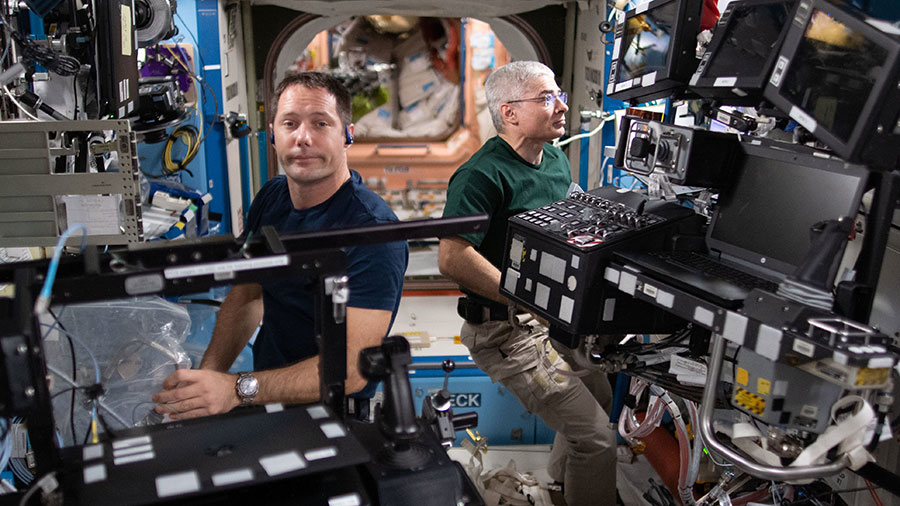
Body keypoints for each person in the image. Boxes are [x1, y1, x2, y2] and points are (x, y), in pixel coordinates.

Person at [152, 72, 409, 419]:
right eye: (290, 123)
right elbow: (248, 294)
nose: (303, 138)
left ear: (348, 134)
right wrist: (208, 379)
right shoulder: (273, 197)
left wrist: (235, 389)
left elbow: (351, 369)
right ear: (273, 134)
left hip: (333, 411)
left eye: (321, 123)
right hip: (263, 400)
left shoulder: (373, 232)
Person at [438, 61, 617, 506]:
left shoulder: (553, 158)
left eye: (558, 93)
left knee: (598, 398)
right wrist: (527, 299)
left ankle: (562, 487)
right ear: (510, 113)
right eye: (546, 98)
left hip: (552, 321)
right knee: (596, 439)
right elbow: (452, 258)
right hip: (506, 330)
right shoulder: (480, 176)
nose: (562, 105)